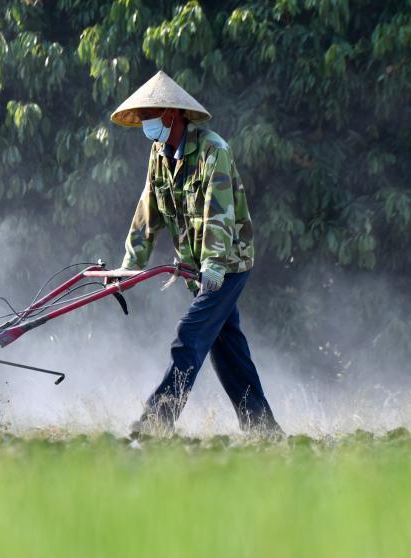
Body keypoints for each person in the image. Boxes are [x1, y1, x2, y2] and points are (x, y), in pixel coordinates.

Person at [110, 71, 282, 437]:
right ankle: (264, 430)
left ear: (171, 114)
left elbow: (218, 213)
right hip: (198, 266)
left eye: (148, 115)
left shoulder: (212, 151)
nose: (144, 123)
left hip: (228, 263)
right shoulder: (159, 153)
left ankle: (157, 422)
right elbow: (149, 210)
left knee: (190, 334)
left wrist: (215, 265)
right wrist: (130, 265)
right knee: (228, 351)